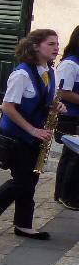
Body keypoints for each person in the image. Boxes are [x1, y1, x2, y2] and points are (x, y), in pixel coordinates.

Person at [0, 29, 65, 240]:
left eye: (57, 43)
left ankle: (23, 224)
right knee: (23, 180)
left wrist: (58, 107)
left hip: (36, 135)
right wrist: (32, 130)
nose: (56, 48)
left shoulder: (49, 72)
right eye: (51, 44)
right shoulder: (21, 74)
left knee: (31, 179)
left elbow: (44, 101)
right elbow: (8, 107)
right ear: (36, 46)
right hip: (17, 135)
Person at [54, 25, 79, 210]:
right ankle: (67, 196)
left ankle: (61, 193)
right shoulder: (70, 64)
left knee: (70, 155)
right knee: (73, 156)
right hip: (70, 116)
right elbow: (62, 92)